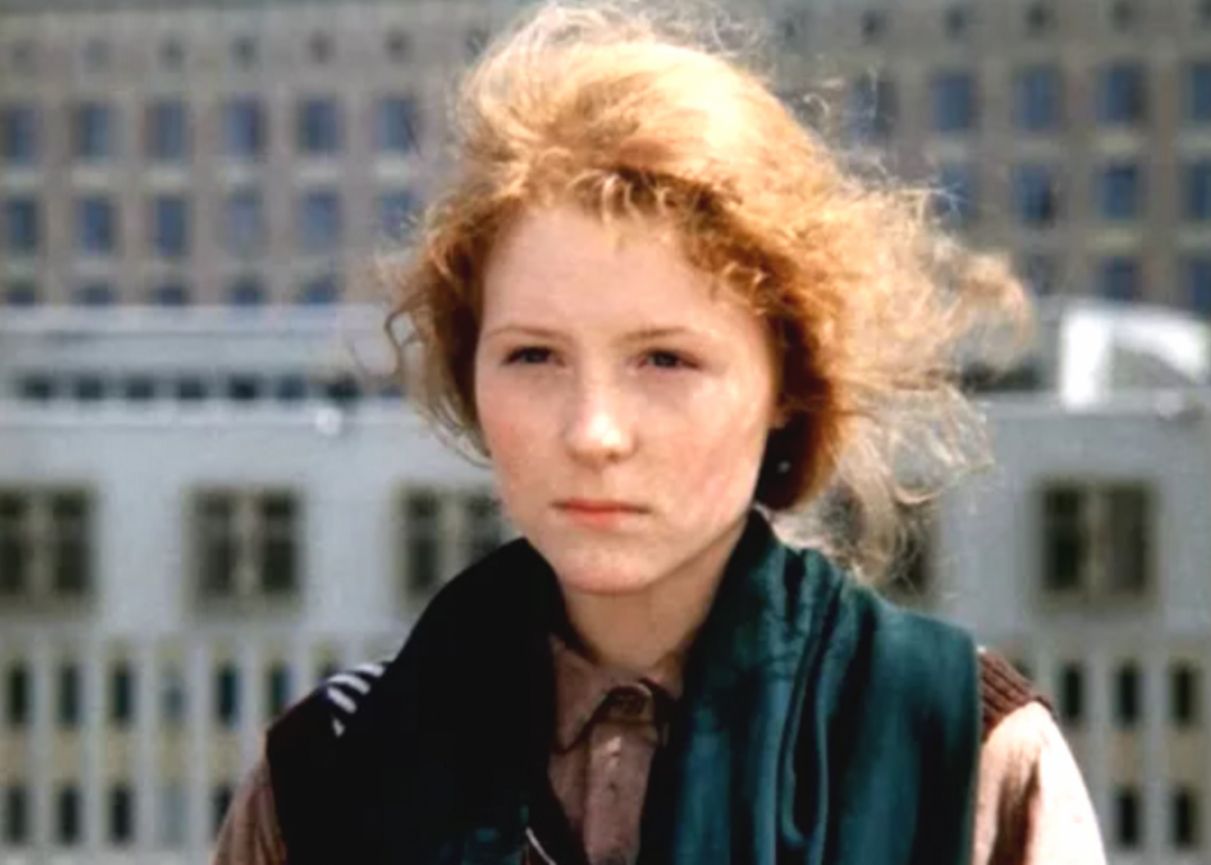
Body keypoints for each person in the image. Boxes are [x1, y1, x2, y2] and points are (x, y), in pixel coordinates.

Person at [213, 2, 1105, 863]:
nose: (594, 432)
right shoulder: (331, 771)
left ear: (789, 380)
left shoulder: (960, 746)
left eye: (666, 360)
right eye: (533, 356)